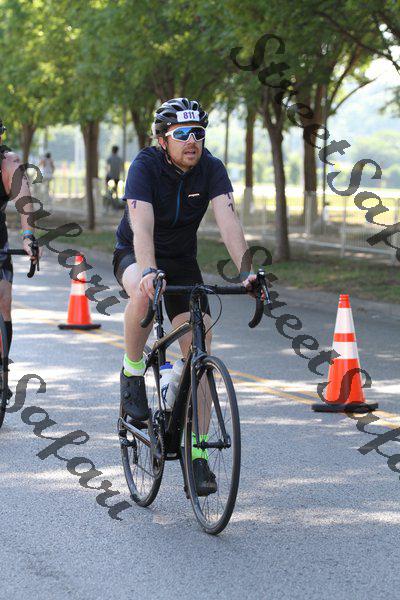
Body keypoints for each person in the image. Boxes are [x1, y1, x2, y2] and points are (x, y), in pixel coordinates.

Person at [113, 98, 257, 495]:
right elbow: (141, 226)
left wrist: (247, 272)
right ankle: (132, 371)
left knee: (201, 346)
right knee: (142, 296)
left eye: (199, 133)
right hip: (136, 254)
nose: (192, 141)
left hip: (181, 261)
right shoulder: (144, 166)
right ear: (163, 139)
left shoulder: (211, 167)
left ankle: (197, 454)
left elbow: (229, 220)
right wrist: (148, 272)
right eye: (182, 135)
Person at [0, 118, 41, 396]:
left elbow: (24, 202)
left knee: (4, 299)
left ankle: (2, 372)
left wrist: (28, 237)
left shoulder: (9, 162)